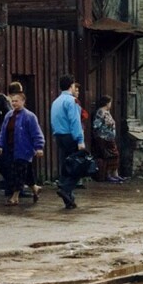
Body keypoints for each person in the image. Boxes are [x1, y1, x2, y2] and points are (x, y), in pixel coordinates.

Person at [0, 92, 45, 205]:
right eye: (12, 101)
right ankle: (35, 188)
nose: (14, 103)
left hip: (24, 149)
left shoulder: (30, 116)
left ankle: (15, 197)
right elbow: (3, 132)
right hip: (10, 148)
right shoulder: (8, 115)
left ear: (23, 102)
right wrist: (0, 145)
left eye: (16, 101)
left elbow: (36, 133)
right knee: (26, 173)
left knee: (18, 172)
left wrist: (39, 147)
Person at [50, 74, 85, 209]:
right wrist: (80, 139)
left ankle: (69, 199)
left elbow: (53, 120)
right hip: (71, 136)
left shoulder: (56, 101)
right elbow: (75, 121)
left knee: (66, 164)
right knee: (78, 167)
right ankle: (65, 189)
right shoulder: (72, 101)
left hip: (59, 136)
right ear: (71, 86)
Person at [92, 96, 124, 183]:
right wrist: (106, 126)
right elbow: (96, 125)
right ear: (107, 103)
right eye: (110, 102)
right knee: (109, 155)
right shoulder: (100, 112)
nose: (110, 104)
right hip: (104, 137)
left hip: (109, 137)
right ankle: (108, 174)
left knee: (114, 155)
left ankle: (114, 174)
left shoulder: (107, 112)